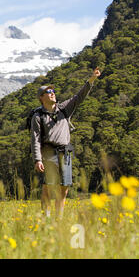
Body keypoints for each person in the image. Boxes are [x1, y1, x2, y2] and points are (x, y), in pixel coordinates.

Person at [31, 68, 101, 218]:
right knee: (48, 187)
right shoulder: (38, 116)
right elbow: (35, 139)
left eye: (53, 91)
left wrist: (91, 80)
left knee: (64, 187)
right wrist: (37, 159)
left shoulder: (64, 109)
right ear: (41, 97)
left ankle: (59, 218)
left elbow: (79, 97)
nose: (53, 93)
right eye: (49, 92)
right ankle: (46, 217)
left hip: (66, 152)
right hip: (49, 152)